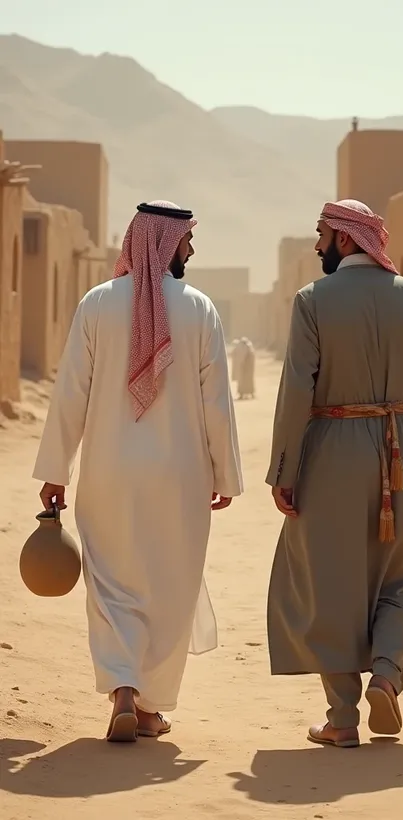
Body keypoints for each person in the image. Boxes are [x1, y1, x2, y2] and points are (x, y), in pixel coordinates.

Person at [33, 200, 243, 743]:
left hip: (108, 473)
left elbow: (69, 394)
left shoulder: (97, 304)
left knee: (111, 584)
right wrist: (225, 475)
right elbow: (217, 402)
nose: (190, 249)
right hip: (181, 476)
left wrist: (56, 469)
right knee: (170, 583)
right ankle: (148, 706)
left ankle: (122, 688)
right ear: (163, 241)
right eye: (185, 240)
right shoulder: (199, 308)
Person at [266, 198, 403, 748]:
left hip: (330, 451)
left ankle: (343, 717)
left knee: (330, 581)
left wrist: (285, 469)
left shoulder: (312, 301)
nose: (317, 244)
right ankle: (389, 674)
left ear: (346, 240)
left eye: (322, 234)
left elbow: (297, 390)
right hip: (401, 452)